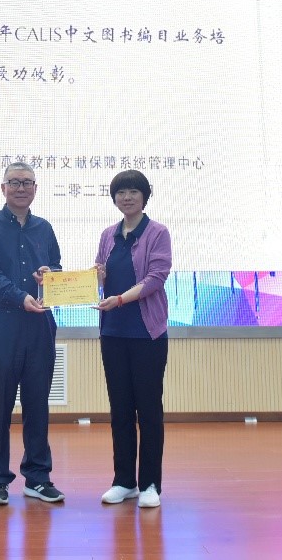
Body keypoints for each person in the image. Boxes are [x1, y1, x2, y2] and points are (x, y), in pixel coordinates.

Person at [0, 162, 64, 506]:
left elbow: (56, 267)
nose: (21, 188)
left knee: (38, 403)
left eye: (27, 182)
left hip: (40, 325)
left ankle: (37, 478)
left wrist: (49, 276)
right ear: (3, 188)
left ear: (36, 188)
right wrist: (20, 296)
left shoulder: (44, 228)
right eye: (14, 182)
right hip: (2, 323)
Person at [92, 169, 171, 508]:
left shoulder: (158, 232)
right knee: (120, 408)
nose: (126, 197)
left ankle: (150, 483)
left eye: (133, 192)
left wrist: (121, 298)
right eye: (121, 192)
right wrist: (98, 277)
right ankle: (124, 481)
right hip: (112, 331)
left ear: (144, 196)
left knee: (148, 409)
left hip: (146, 333)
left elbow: (156, 278)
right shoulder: (108, 234)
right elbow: (100, 277)